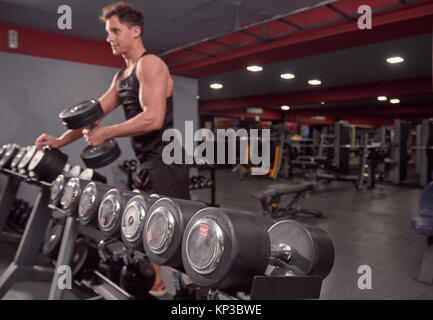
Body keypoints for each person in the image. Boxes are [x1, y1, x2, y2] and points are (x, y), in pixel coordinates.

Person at [35, 2, 190, 297]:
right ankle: (160, 287)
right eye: (108, 32)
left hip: (167, 160)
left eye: (115, 31)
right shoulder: (121, 77)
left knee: (177, 234)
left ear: (135, 31)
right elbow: (91, 117)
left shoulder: (151, 64)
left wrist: (107, 133)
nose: (110, 38)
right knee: (149, 230)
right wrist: (58, 141)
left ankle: (193, 292)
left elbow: (153, 116)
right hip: (147, 162)